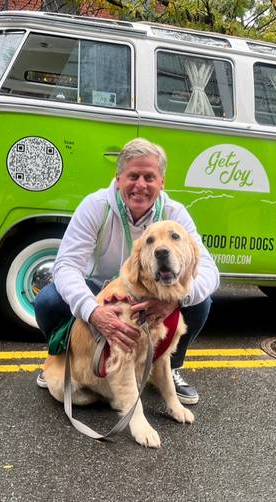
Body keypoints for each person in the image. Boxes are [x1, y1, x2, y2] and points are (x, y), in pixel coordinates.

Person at [34, 138, 220, 405]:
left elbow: (210, 271)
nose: (141, 185)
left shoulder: (174, 213)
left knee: (201, 302)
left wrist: (174, 300)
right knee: (48, 301)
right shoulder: (95, 206)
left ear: (162, 182)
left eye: (149, 177)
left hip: (149, 293)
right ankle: (64, 360)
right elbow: (66, 267)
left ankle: (170, 368)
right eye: (133, 176)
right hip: (98, 290)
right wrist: (93, 311)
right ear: (119, 178)